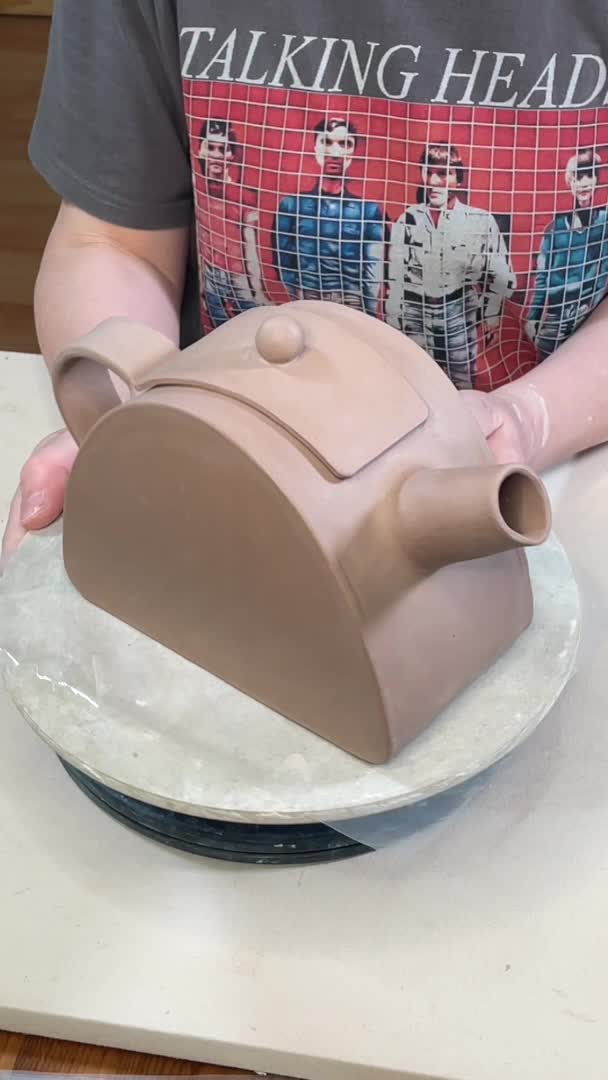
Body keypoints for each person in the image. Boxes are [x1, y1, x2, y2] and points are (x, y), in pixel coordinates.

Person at [4, 0, 608, 566]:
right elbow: (113, 241)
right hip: (228, 451)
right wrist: (129, 416)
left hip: (551, 461)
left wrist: (529, 419)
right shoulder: (314, 215)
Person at [385, 144, 515, 389]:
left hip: (459, 310)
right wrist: (394, 318)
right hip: (415, 310)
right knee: (415, 381)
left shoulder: (480, 220)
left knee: (461, 381)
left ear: (458, 179)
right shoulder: (408, 219)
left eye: (444, 174)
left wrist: (492, 314)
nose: (434, 181)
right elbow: (395, 276)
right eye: (429, 172)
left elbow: (501, 273)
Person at [273, 116, 386, 316]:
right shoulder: (290, 206)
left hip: (351, 302)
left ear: (353, 151)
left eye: (344, 144)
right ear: (315, 147)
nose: (335, 152)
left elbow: (373, 272)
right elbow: (283, 262)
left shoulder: (369, 211)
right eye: (326, 142)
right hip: (306, 299)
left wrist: (367, 316)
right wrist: (299, 296)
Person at [526, 148, 608, 358]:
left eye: (589, 175)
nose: (583, 183)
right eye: (578, 177)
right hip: (554, 315)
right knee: (543, 367)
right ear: (570, 183)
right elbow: (542, 278)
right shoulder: (554, 230)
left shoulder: (604, 222)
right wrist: (534, 316)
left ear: (597, 180)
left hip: (589, 313)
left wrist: (592, 308)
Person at [196, 118, 268, 328]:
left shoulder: (244, 197)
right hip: (211, 275)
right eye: (211, 147)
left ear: (232, 155)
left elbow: (250, 244)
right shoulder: (198, 188)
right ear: (200, 149)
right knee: (219, 331)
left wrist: (257, 288)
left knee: (250, 328)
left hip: (238, 275)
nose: (217, 155)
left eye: (223, 149)